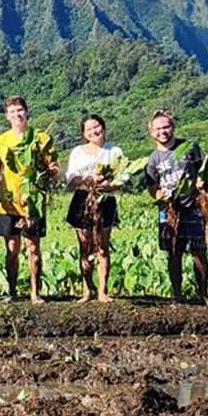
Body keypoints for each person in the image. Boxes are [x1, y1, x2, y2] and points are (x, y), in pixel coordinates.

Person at [0, 96, 58, 303]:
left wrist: (45, 174)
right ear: (7, 116)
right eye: (12, 112)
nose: (17, 115)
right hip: (8, 202)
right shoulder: (0, 142)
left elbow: (54, 168)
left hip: (33, 203)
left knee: (33, 248)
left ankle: (35, 292)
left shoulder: (41, 138)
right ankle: (11, 292)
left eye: (20, 110)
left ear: (26, 112)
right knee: (11, 249)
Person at [145, 109, 208, 306]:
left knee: (199, 251)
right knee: (174, 252)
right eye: (158, 129)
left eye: (166, 127)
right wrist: (161, 196)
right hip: (169, 210)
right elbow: (153, 188)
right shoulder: (152, 160)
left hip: (192, 206)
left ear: (173, 127)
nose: (163, 131)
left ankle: (203, 294)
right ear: (151, 132)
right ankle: (177, 295)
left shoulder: (189, 147)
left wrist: (202, 182)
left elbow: (204, 170)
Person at [65, 114, 124, 303]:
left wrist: (105, 185)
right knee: (85, 247)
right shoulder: (77, 152)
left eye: (97, 126)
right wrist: (88, 180)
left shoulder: (113, 151)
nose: (94, 131)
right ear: (84, 133)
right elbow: (71, 180)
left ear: (103, 127)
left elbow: (121, 180)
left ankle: (102, 291)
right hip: (82, 199)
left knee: (102, 247)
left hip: (105, 200)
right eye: (89, 129)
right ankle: (87, 289)